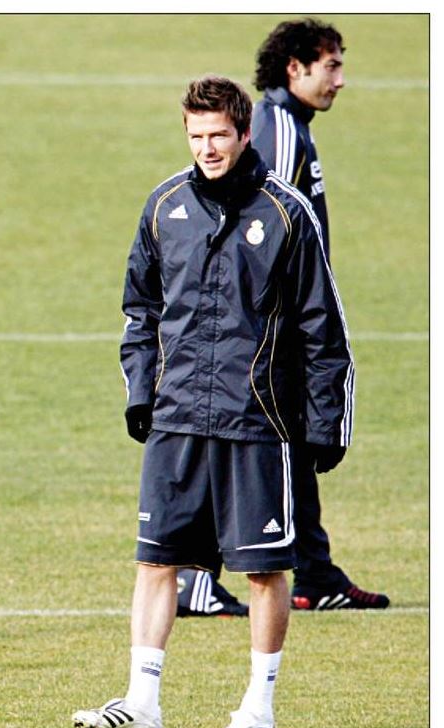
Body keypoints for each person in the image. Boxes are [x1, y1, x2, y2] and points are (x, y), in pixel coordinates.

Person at [73, 76, 354, 728]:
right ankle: (143, 702)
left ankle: (259, 706)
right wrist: (142, 390)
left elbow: (323, 327)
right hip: (176, 421)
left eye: (218, 135)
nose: (207, 148)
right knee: (155, 560)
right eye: (196, 136)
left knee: (264, 568)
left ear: (244, 133)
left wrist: (326, 424)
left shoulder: (286, 214)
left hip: (258, 421)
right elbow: (139, 309)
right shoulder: (164, 206)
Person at [174, 18, 389, 614]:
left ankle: (314, 571)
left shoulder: (288, 125)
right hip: (268, 330)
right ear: (295, 68)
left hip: (276, 325)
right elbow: (255, 221)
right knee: (247, 445)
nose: (339, 80)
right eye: (331, 66)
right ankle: (197, 578)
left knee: (293, 446)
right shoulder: (282, 134)